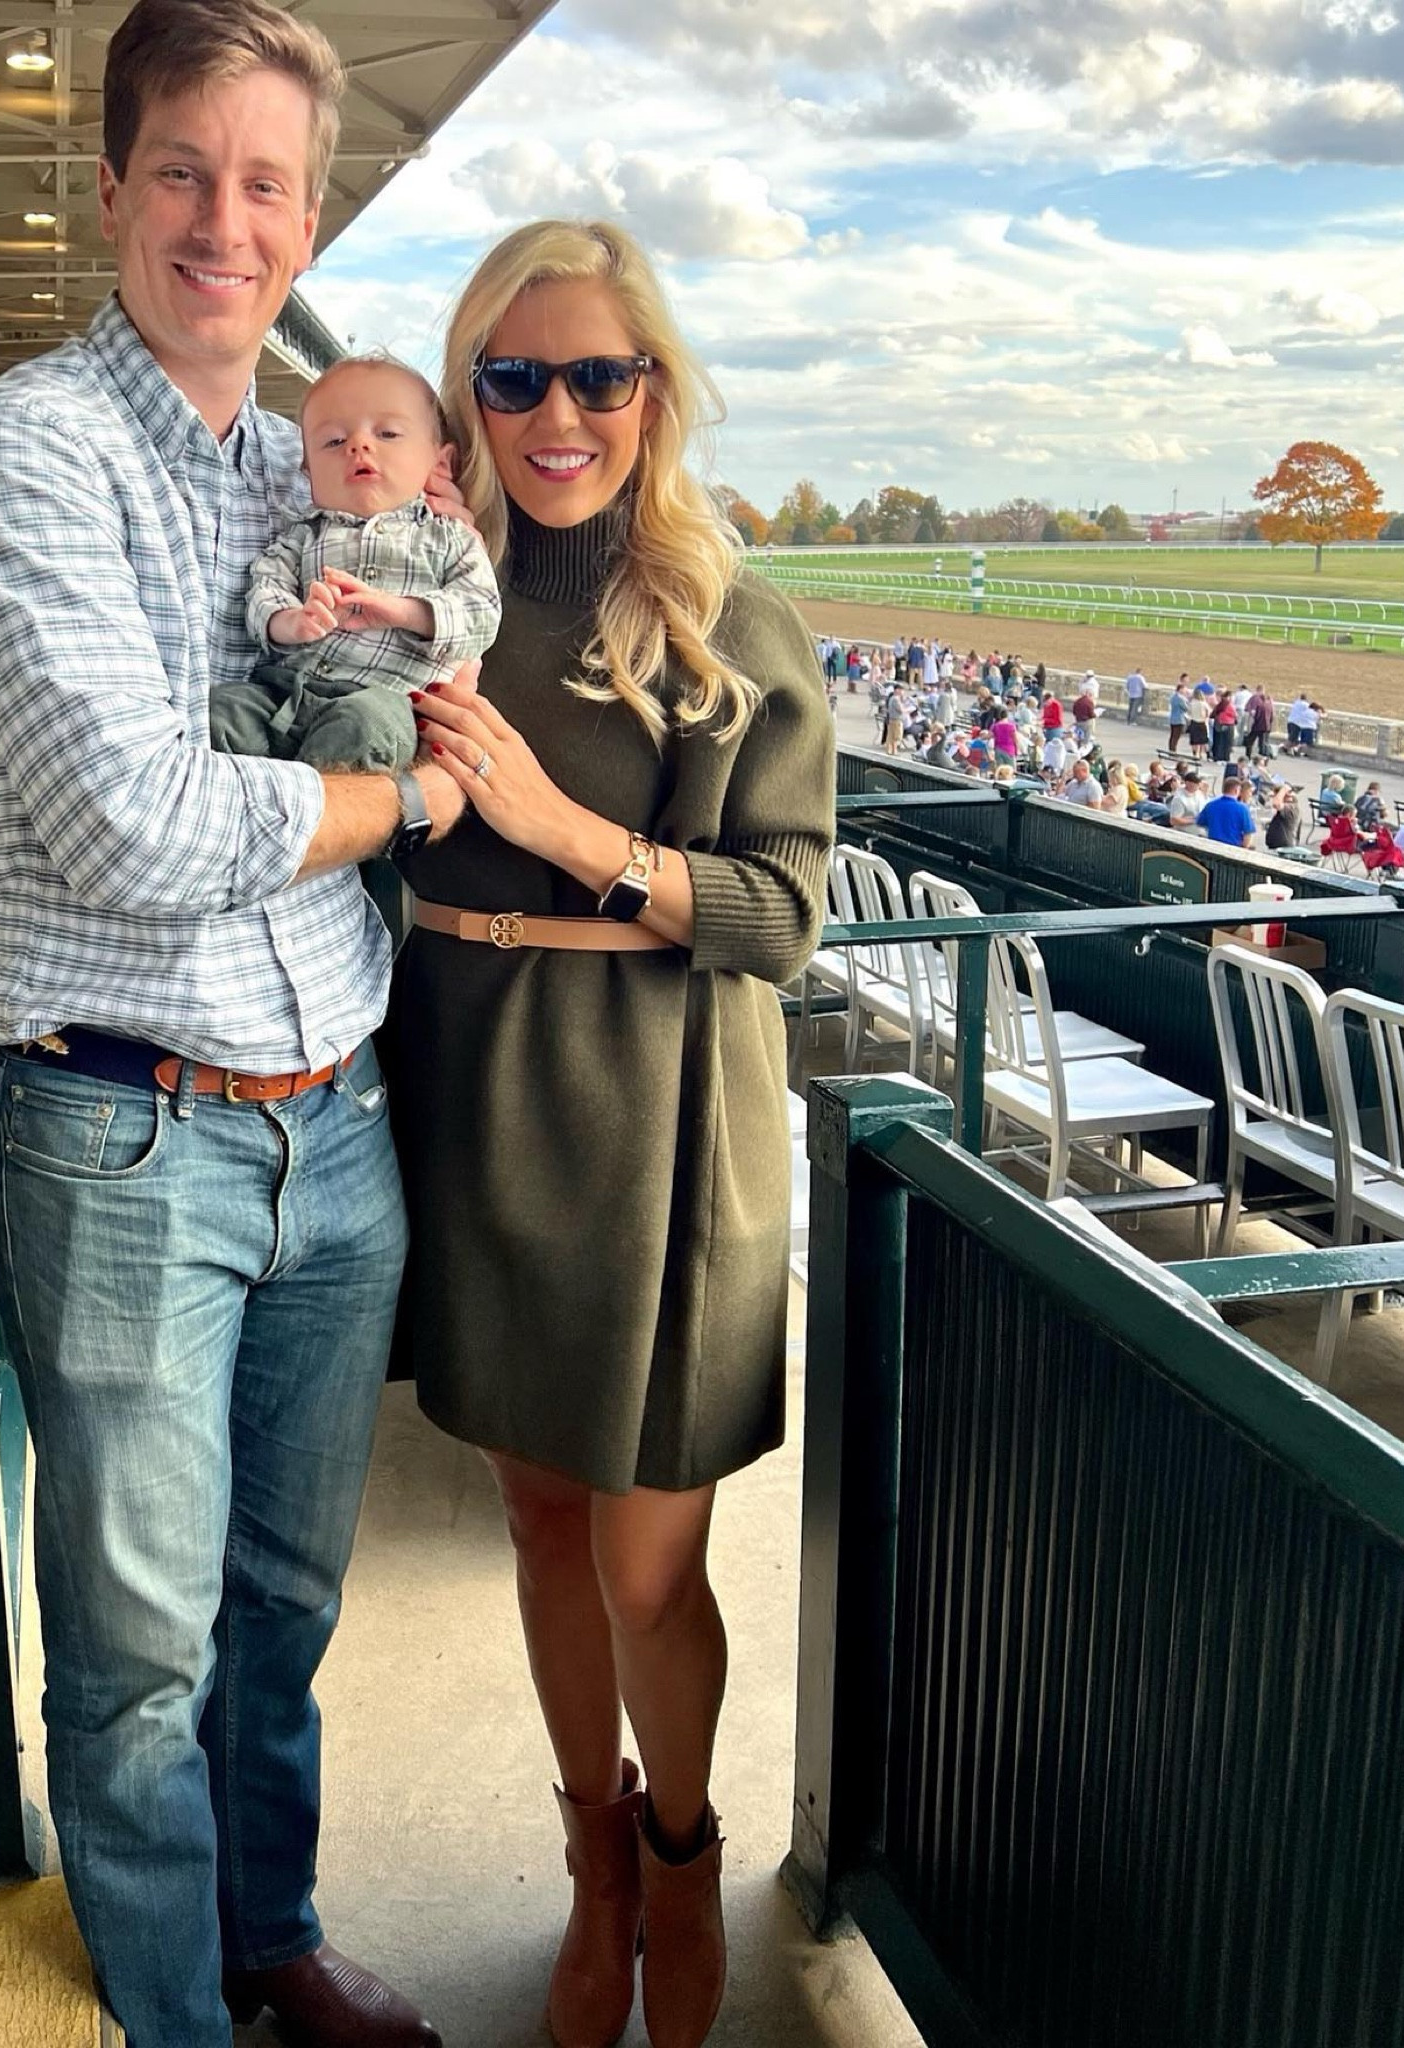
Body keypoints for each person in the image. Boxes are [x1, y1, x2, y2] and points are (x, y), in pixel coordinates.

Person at [0, 4, 461, 2043]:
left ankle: (264, 1931)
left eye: (265, 185)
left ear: (308, 219)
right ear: (112, 186)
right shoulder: (14, 457)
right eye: (182, 173)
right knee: (140, 1645)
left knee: (285, 1608)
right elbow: (139, 826)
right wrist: (403, 801)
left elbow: (429, 638)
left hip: (342, 1117)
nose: (225, 222)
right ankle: (176, 2014)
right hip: (129, 1132)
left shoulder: (294, 479)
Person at [392, 218, 834, 2048]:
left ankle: (675, 1843)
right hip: (471, 1090)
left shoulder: (735, 619)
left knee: (652, 1558)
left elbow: (784, 917)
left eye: (598, 374)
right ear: (469, 392)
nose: (557, 412)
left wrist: (571, 837)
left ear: (654, 389)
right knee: (536, 1515)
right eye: (515, 375)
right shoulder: (425, 598)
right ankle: (586, 1862)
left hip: (661, 1119)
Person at [209, 355, 501, 768]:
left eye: (388, 433)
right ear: (309, 477)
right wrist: (290, 621)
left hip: (383, 698)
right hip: (281, 692)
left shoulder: (447, 538)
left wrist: (403, 612)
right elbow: (264, 586)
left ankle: (325, 822)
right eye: (332, 441)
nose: (358, 445)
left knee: (367, 730)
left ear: (438, 463)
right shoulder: (303, 534)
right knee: (215, 712)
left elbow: (482, 612)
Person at [1199, 775, 1256, 847]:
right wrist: (1245, 848)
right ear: (1236, 790)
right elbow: (1248, 833)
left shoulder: (1211, 805)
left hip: (1212, 845)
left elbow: (1201, 822)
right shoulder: (1243, 809)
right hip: (1233, 847)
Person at [1166, 678, 1189, 754]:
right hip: (1179, 719)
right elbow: (1186, 708)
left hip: (1172, 718)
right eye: (1184, 689)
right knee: (1176, 736)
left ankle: (1171, 749)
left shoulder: (1173, 697)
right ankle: (1173, 750)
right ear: (1180, 689)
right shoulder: (1180, 698)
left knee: (1172, 735)